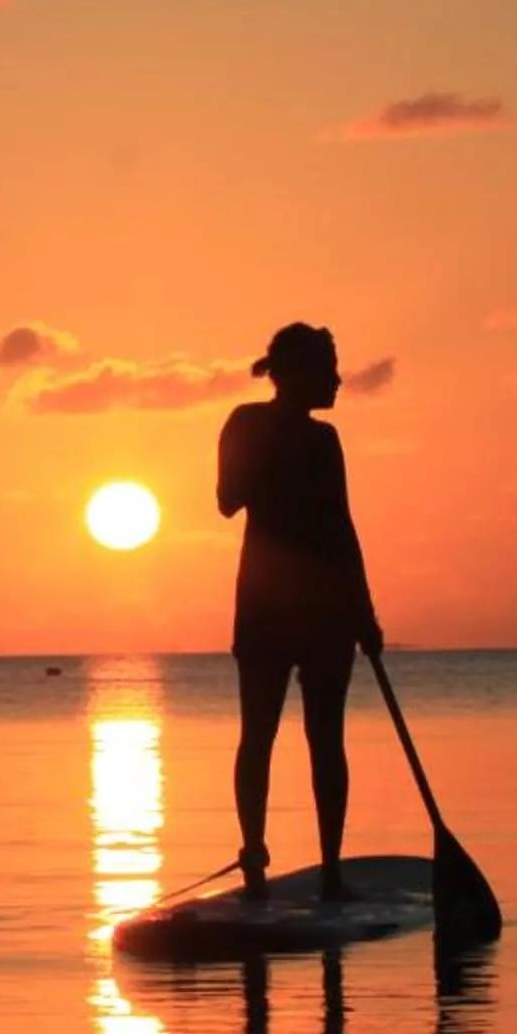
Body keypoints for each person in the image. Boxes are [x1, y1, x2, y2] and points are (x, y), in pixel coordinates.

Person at [216, 322, 382, 901]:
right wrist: (272, 449)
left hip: (328, 614)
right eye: (327, 369)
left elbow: (343, 528)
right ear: (296, 373)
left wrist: (366, 615)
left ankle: (331, 867)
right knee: (257, 735)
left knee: (325, 739)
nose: (337, 380)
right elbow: (226, 501)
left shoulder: (326, 441)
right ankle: (253, 857)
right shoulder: (245, 423)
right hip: (264, 609)